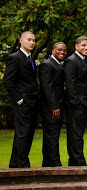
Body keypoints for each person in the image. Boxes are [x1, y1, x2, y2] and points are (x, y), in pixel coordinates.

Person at [4, 31, 38, 168]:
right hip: (23, 102)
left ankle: (15, 164)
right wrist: (19, 99)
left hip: (32, 102)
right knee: (23, 134)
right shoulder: (14, 58)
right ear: (21, 41)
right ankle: (22, 164)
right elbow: (8, 81)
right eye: (29, 40)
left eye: (34, 40)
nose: (32, 42)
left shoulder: (31, 58)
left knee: (26, 133)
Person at [39, 42, 67, 167]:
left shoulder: (58, 65)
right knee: (53, 135)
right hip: (50, 107)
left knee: (49, 136)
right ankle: (56, 164)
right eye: (59, 50)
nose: (62, 52)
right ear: (53, 50)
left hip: (57, 106)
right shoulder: (47, 65)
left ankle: (47, 163)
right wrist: (54, 106)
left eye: (65, 51)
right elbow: (47, 88)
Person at [64, 36, 87, 166]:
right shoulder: (71, 61)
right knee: (75, 133)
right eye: (83, 45)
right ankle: (78, 160)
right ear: (76, 46)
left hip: (83, 103)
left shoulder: (83, 61)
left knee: (78, 133)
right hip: (76, 104)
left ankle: (74, 161)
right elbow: (70, 84)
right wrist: (76, 102)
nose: (86, 48)